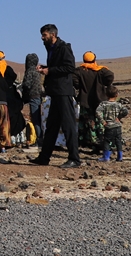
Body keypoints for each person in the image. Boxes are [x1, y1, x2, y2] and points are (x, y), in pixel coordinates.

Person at [30, 23, 80, 168]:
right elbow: (58, 67)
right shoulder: (51, 48)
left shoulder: (64, 48)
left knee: (68, 125)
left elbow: (70, 67)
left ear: (53, 34)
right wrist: (45, 68)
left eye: (44, 35)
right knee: (51, 127)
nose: (42, 38)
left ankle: (74, 159)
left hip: (63, 92)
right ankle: (44, 158)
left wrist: (49, 71)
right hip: (55, 92)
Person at [74, 51, 115, 151]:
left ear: (84, 60)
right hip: (99, 100)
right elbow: (110, 76)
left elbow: (74, 81)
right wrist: (105, 84)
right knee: (101, 122)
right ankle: (104, 143)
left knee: (88, 123)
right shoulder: (100, 71)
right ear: (94, 60)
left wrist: (79, 86)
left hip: (85, 101)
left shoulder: (79, 71)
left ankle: (91, 144)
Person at [96, 86, 128, 162]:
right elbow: (126, 111)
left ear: (106, 95)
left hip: (109, 126)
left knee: (107, 141)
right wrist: (119, 118)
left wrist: (102, 121)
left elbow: (98, 112)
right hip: (118, 126)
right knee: (118, 141)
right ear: (117, 95)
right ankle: (120, 157)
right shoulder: (119, 104)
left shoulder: (103, 104)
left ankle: (106, 157)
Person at [20, 53, 45, 131]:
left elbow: (27, 84)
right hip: (39, 96)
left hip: (33, 97)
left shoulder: (29, 71)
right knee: (38, 117)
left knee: (35, 119)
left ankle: (39, 138)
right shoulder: (37, 71)